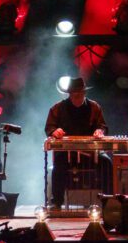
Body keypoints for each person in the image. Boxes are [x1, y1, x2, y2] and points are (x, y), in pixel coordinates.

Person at [44, 77, 109, 209]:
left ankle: (108, 201)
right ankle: (57, 202)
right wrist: (54, 131)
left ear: (85, 93)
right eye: (74, 95)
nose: (77, 98)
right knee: (59, 164)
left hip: (91, 153)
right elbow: (49, 128)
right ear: (70, 94)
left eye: (80, 94)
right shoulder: (58, 108)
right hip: (67, 153)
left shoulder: (94, 107)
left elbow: (102, 126)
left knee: (107, 162)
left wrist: (99, 131)